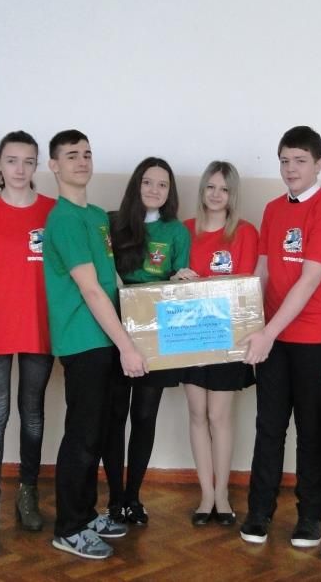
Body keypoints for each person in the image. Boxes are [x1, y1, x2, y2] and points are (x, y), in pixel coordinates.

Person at [239, 126, 321, 548]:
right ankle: (259, 512)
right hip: (271, 338)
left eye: (300, 160)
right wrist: (249, 323)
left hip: (312, 339)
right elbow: (263, 270)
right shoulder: (272, 209)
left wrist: (268, 332)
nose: (290, 169)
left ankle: (311, 517)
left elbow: (309, 281)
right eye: (284, 161)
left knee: (311, 429)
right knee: (268, 426)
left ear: (318, 164)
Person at [44, 129, 144, 560]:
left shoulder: (97, 217)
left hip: (106, 339)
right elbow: (90, 290)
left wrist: (142, 318)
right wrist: (127, 346)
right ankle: (68, 527)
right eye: (71, 155)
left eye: (86, 153)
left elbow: (112, 279)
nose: (82, 161)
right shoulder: (64, 219)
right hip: (83, 341)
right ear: (54, 165)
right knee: (83, 437)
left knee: (98, 432)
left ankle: (85, 515)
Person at [0, 131, 57, 556]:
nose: (20, 169)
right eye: (12, 160)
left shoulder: (53, 212)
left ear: (37, 165)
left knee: (33, 414)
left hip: (41, 328)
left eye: (28, 161)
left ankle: (28, 492)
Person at [103, 157, 194, 526]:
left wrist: (181, 280)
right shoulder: (112, 223)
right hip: (114, 330)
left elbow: (178, 282)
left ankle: (133, 497)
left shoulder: (177, 232)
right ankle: (114, 498)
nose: (155, 190)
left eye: (163, 184)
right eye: (147, 182)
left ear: (170, 192)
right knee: (114, 416)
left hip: (156, 334)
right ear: (135, 186)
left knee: (144, 416)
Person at [180, 161, 257, 526]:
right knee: (197, 414)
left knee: (218, 416)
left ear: (232, 195)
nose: (216, 194)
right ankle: (206, 495)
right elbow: (173, 287)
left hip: (227, 337)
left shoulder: (244, 233)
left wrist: (205, 286)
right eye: (210, 187)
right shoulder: (184, 231)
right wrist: (178, 277)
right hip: (191, 335)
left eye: (224, 189)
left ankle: (223, 493)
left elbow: (245, 287)